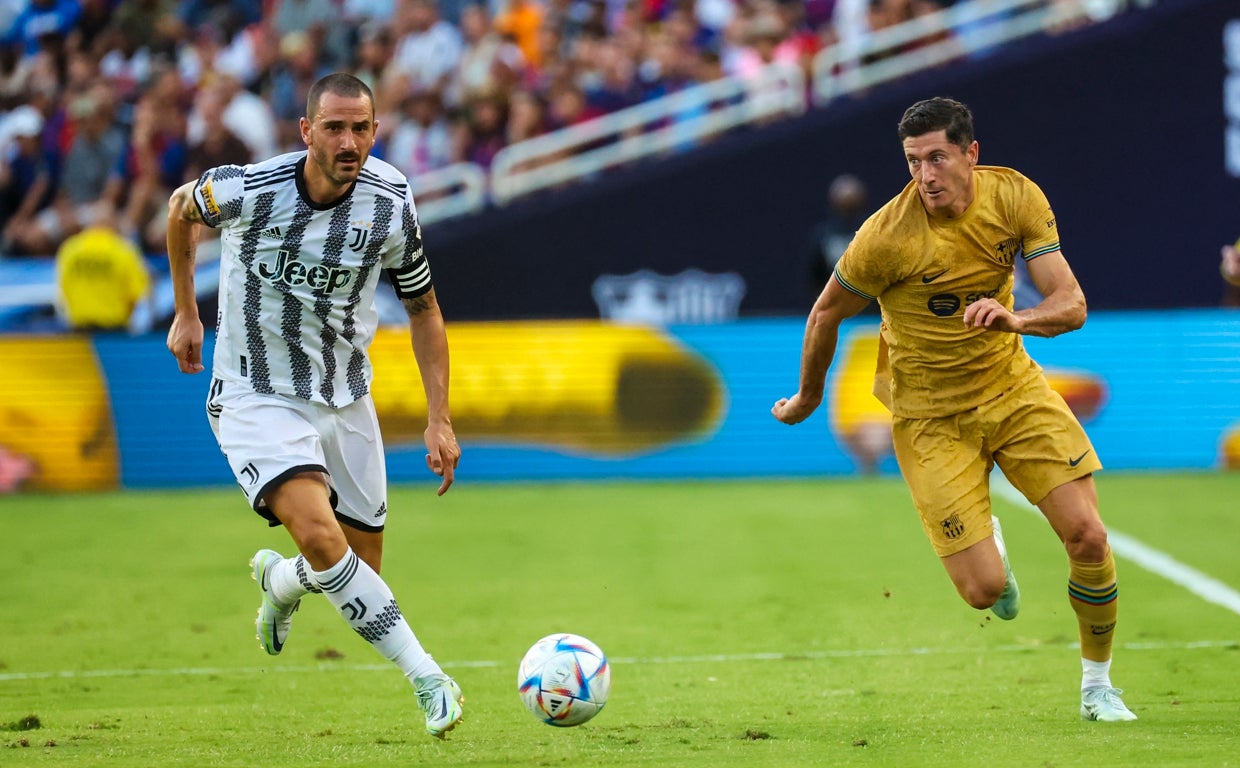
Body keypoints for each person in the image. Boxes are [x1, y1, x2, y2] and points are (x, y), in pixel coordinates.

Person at [772, 97, 1137, 723]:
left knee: (1088, 535)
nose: (925, 174)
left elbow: (1071, 303)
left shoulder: (1015, 197)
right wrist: (808, 395)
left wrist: (1016, 318)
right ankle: (986, 543)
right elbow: (827, 311)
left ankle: (1097, 686)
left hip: (1012, 389)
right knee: (984, 592)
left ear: (971, 153)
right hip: (931, 418)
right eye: (913, 161)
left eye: (937, 157)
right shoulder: (884, 237)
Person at [164, 72, 464, 739]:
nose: (348, 140)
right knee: (325, 540)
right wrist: (187, 311)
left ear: (376, 131)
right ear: (307, 132)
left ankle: (280, 585)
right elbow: (181, 207)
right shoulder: (250, 188)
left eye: (361, 128)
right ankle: (428, 678)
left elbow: (424, 308)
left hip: (345, 396)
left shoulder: (391, 204)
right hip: (254, 390)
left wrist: (438, 416)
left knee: (354, 568)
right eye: (334, 127)